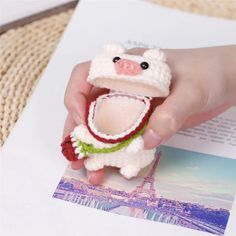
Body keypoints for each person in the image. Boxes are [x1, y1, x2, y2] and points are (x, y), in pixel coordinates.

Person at [63, 45, 236, 185]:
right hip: (99, 141)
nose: (127, 68)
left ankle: (128, 164)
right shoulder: (103, 104)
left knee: (134, 153)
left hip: (131, 150)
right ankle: (108, 160)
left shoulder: (143, 106)